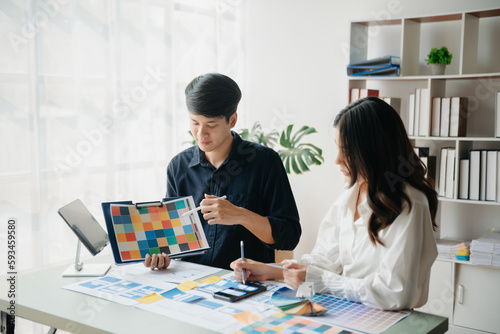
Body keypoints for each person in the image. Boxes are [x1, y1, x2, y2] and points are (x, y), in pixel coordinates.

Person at [231, 96, 438, 310]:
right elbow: (324, 259)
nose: (337, 160)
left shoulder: (410, 204)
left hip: (388, 320)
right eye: (338, 148)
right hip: (350, 310)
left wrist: (323, 281)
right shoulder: (351, 192)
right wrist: (272, 271)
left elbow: (394, 294)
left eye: (347, 151)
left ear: (375, 151)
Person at [144, 73, 301, 270]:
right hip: (189, 281)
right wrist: (162, 255)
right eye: (195, 123)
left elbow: (289, 237)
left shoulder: (265, 162)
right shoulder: (178, 166)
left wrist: (241, 215)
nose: (201, 134)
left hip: (245, 282)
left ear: (232, 120)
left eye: (211, 125)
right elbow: (171, 236)